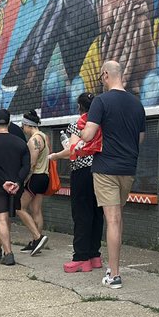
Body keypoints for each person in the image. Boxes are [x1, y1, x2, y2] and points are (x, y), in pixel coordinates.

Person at [80, 60, 146, 288]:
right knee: (118, 218)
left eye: (101, 77)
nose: (101, 81)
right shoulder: (137, 104)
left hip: (106, 168)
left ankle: (115, 274)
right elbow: (140, 139)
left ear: (106, 74)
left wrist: (79, 131)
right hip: (128, 168)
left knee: (113, 220)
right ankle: (113, 267)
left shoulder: (101, 101)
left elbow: (89, 135)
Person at [0, 109, 47, 264]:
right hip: (17, 187)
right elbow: (26, 166)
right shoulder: (20, 143)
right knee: (7, 218)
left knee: (1, 219)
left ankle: (8, 254)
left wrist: (3, 182)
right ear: (9, 123)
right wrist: (17, 182)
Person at [49, 92, 104, 272]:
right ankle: (95, 255)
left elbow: (73, 150)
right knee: (97, 212)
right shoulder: (102, 124)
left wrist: (56, 155)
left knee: (81, 213)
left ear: (79, 107)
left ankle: (81, 257)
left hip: (82, 172)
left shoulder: (78, 124)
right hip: (101, 171)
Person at [19, 110, 50, 253]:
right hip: (44, 176)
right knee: (36, 210)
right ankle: (35, 243)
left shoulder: (33, 140)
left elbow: (31, 164)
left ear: (27, 125)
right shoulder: (45, 136)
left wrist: (23, 180)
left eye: (23, 126)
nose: (22, 129)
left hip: (35, 177)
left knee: (20, 208)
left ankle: (37, 237)